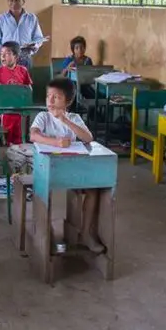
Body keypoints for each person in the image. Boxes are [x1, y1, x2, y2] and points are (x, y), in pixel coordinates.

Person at [28, 78, 103, 253]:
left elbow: (88, 138)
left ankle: (85, 233)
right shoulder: (43, 117)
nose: (51, 101)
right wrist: (55, 142)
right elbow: (33, 135)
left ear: (68, 102)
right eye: (48, 96)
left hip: (71, 169)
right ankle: (48, 234)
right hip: (47, 170)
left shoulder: (74, 118)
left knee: (94, 189)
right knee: (46, 191)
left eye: (56, 97)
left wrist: (65, 120)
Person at [0, 41, 33, 144]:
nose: (2, 56)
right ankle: (5, 143)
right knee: (7, 127)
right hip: (3, 108)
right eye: (1, 53)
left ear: (16, 56)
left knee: (19, 134)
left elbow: (29, 88)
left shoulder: (23, 70)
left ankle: (17, 145)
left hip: (19, 108)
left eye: (6, 53)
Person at [0, 0, 47, 67]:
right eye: (11, 0)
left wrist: (35, 46)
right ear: (8, 1)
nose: (14, 3)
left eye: (17, 0)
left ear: (23, 1)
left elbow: (38, 38)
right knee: (6, 79)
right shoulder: (1, 19)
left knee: (24, 79)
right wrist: (1, 51)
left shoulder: (31, 18)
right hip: (6, 59)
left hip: (25, 58)